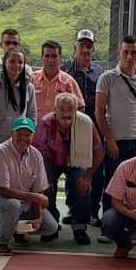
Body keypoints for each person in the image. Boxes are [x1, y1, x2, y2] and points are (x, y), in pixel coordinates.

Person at [0, 116, 60, 256]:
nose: (23, 138)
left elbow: (38, 190)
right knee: (12, 205)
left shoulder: (36, 155)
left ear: (33, 136)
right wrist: (34, 196)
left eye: (27, 135)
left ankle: (16, 231)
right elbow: (4, 191)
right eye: (19, 134)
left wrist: (39, 218)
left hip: (23, 201)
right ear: (12, 133)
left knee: (51, 227)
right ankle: (0, 241)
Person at [32, 92, 103, 245]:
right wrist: (44, 177)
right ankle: (52, 226)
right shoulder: (44, 123)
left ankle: (79, 228)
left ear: (76, 110)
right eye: (62, 109)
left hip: (76, 161)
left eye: (70, 109)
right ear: (54, 110)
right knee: (46, 187)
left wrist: (87, 177)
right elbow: (35, 153)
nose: (66, 113)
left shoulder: (85, 123)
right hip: (50, 161)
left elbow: (99, 151)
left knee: (84, 187)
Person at [96, 36, 136, 217]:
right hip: (116, 141)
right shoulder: (107, 78)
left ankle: (135, 226)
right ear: (119, 54)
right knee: (113, 183)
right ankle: (109, 224)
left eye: (133, 53)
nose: (129, 57)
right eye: (126, 52)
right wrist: (110, 140)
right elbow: (99, 112)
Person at [62, 28, 105, 225]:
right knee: (74, 171)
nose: (85, 50)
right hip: (71, 129)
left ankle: (93, 212)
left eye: (89, 46)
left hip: (95, 129)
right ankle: (73, 210)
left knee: (95, 173)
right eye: (82, 46)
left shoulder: (100, 72)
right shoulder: (65, 70)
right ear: (75, 47)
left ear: (93, 49)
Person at [0, 47, 37, 148]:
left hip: (21, 141)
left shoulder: (29, 87)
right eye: (12, 61)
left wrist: (29, 138)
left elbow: (32, 115)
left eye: (20, 62)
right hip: (0, 140)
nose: (16, 65)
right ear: (5, 62)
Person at [31, 39, 83, 119]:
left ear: (60, 59)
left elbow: (80, 108)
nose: (50, 60)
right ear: (42, 58)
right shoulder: (32, 79)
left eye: (54, 56)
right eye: (47, 56)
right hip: (34, 128)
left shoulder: (68, 82)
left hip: (59, 129)